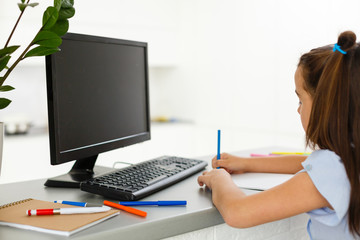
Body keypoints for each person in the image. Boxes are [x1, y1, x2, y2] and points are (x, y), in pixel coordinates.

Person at [197, 31, 360, 240]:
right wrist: (247, 163)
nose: (298, 110)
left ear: (326, 106)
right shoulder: (349, 159)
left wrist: (220, 180)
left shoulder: (333, 172)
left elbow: (239, 212)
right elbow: (308, 162)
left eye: (301, 100)